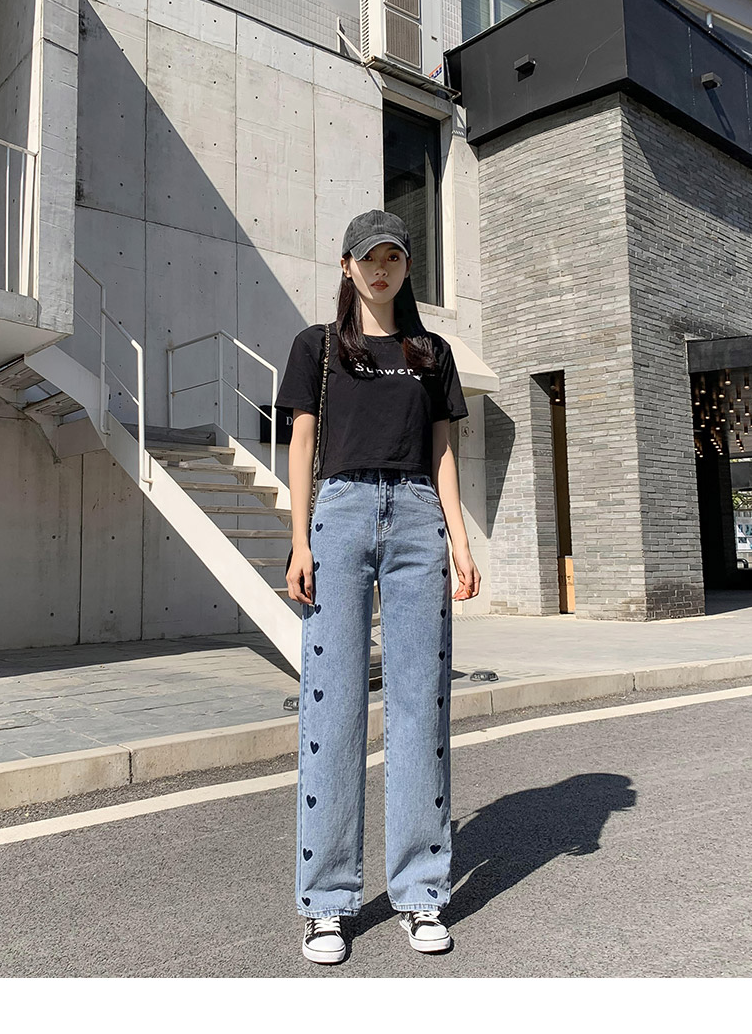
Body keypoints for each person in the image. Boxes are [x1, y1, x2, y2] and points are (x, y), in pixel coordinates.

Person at [275, 209, 481, 966]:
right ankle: (327, 902)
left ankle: (421, 890)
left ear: (406, 266)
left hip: (418, 519)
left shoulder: (432, 352)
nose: (382, 269)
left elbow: (443, 452)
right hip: (339, 515)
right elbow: (301, 442)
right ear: (346, 266)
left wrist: (460, 540)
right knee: (331, 707)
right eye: (369, 258)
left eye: (394, 256)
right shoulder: (318, 347)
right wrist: (300, 539)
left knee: (421, 704)